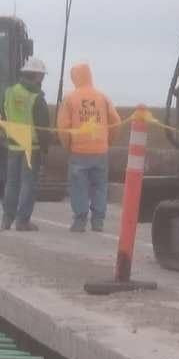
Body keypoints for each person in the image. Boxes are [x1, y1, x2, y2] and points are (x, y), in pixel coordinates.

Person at [56, 62, 121, 233]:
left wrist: (67, 145)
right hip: (100, 150)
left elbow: (63, 127)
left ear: (75, 77)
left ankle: (80, 220)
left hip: (78, 150)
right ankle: (98, 221)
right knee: (100, 186)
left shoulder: (70, 98)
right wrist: (108, 141)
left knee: (79, 186)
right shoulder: (102, 97)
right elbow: (116, 121)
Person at [1, 57, 50, 231]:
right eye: (42, 75)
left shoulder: (9, 92)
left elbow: (3, 116)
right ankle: (22, 221)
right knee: (28, 183)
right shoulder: (36, 97)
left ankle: (6, 219)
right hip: (32, 147)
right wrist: (45, 149)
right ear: (36, 75)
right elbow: (43, 126)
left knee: (11, 182)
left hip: (13, 145)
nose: (42, 79)